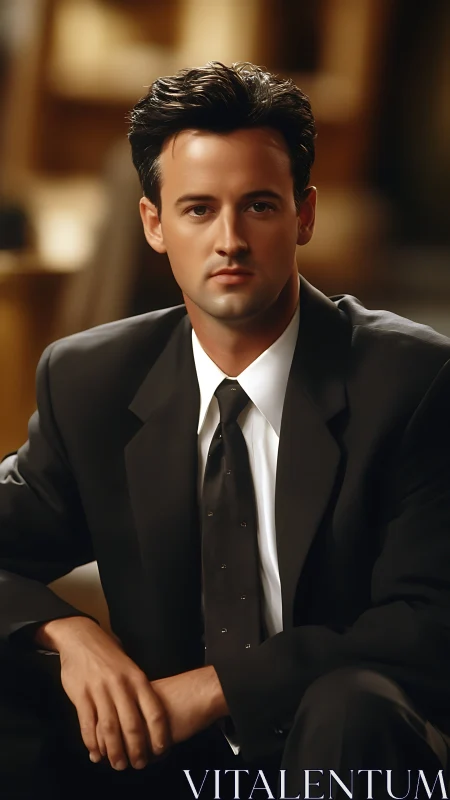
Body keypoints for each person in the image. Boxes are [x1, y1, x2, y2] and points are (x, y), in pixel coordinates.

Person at [1, 61, 450, 800]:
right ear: (155, 224)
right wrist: (69, 634)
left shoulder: (412, 381)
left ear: (304, 215)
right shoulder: (92, 382)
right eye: (199, 209)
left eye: (259, 206)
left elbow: (428, 623)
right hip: (159, 756)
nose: (230, 240)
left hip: (339, 755)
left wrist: (219, 688)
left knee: (352, 705)